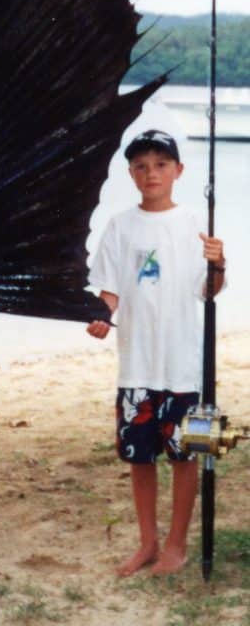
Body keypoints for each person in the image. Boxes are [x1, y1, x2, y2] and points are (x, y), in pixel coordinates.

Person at [87, 129, 226, 577]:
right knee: (140, 458)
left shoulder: (193, 225)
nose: (152, 173)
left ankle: (176, 544)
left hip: (185, 367)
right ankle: (147, 542)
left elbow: (210, 290)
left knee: (186, 457)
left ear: (179, 171)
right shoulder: (120, 226)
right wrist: (102, 318)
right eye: (142, 166)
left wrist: (218, 263)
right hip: (137, 367)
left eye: (161, 165)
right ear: (130, 174)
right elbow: (110, 292)